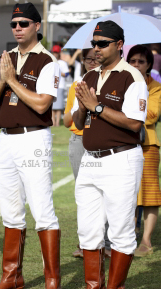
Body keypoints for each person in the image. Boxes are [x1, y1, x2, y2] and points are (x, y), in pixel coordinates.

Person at [0, 3, 62, 289]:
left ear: (37, 26)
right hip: (6, 140)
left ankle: (53, 280)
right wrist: (4, 79)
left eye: (24, 23)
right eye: (14, 23)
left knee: (42, 211)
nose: (17, 28)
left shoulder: (47, 61)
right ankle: (11, 276)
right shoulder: (5, 59)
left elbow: (43, 105)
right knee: (11, 212)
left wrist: (12, 81)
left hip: (34, 139)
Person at [65, 20, 148, 289]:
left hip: (121, 158)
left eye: (102, 43)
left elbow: (134, 123)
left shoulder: (132, 77)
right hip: (90, 159)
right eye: (94, 43)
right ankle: (93, 288)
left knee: (121, 230)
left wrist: (97, 106)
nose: (96, 49)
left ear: (118, 45)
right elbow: (76, 122)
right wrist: (82, 108)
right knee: (87, 228)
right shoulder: (89, 74)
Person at [64, 49, 111, 259]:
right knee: (84, 195)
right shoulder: (77, 85)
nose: (91, 62)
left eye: (95, 58)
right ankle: (87, 244)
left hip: (102, 141)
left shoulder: (109, 83)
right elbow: (68, 120)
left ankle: (108, 242)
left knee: (107, 193)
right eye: (87, 59)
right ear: (82, 62)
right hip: (78, 141)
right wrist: (82, 108)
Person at [127, 45, 161, 257]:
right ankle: (128, 234)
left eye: (141, 61)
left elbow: (152, 115)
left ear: (149, 65)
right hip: (123, 144)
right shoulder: (121, 82)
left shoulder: (155, 86)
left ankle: (146, 241)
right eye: (133, 61)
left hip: (147, 145)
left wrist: (127, 113)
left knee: (148, 195)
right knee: (126, 193)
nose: (136, 65)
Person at [51, 45, 69, 126]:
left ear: (59, 53)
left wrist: (59, 72)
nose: (55, 54)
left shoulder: (62, 63)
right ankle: (53, 122)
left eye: (56, 52)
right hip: (51, 85)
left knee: (58, 106)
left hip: (60, 86)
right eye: (54, 52)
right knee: (51, 105)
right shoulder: (50, 61)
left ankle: (57, 122)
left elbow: (67, 74)